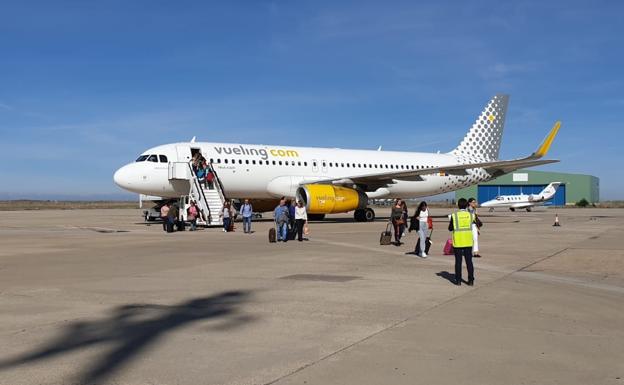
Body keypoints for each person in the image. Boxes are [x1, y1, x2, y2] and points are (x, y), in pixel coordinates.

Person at [448, 198, 476, 286]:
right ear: (466, 205)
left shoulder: (454, 215)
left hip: (458, 242)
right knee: (469, 262)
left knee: (458, 262)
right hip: (468, 241)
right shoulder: (471, 215)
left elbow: (450, 228)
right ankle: (471, 280)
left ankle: (458, 280)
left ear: (458, 205)